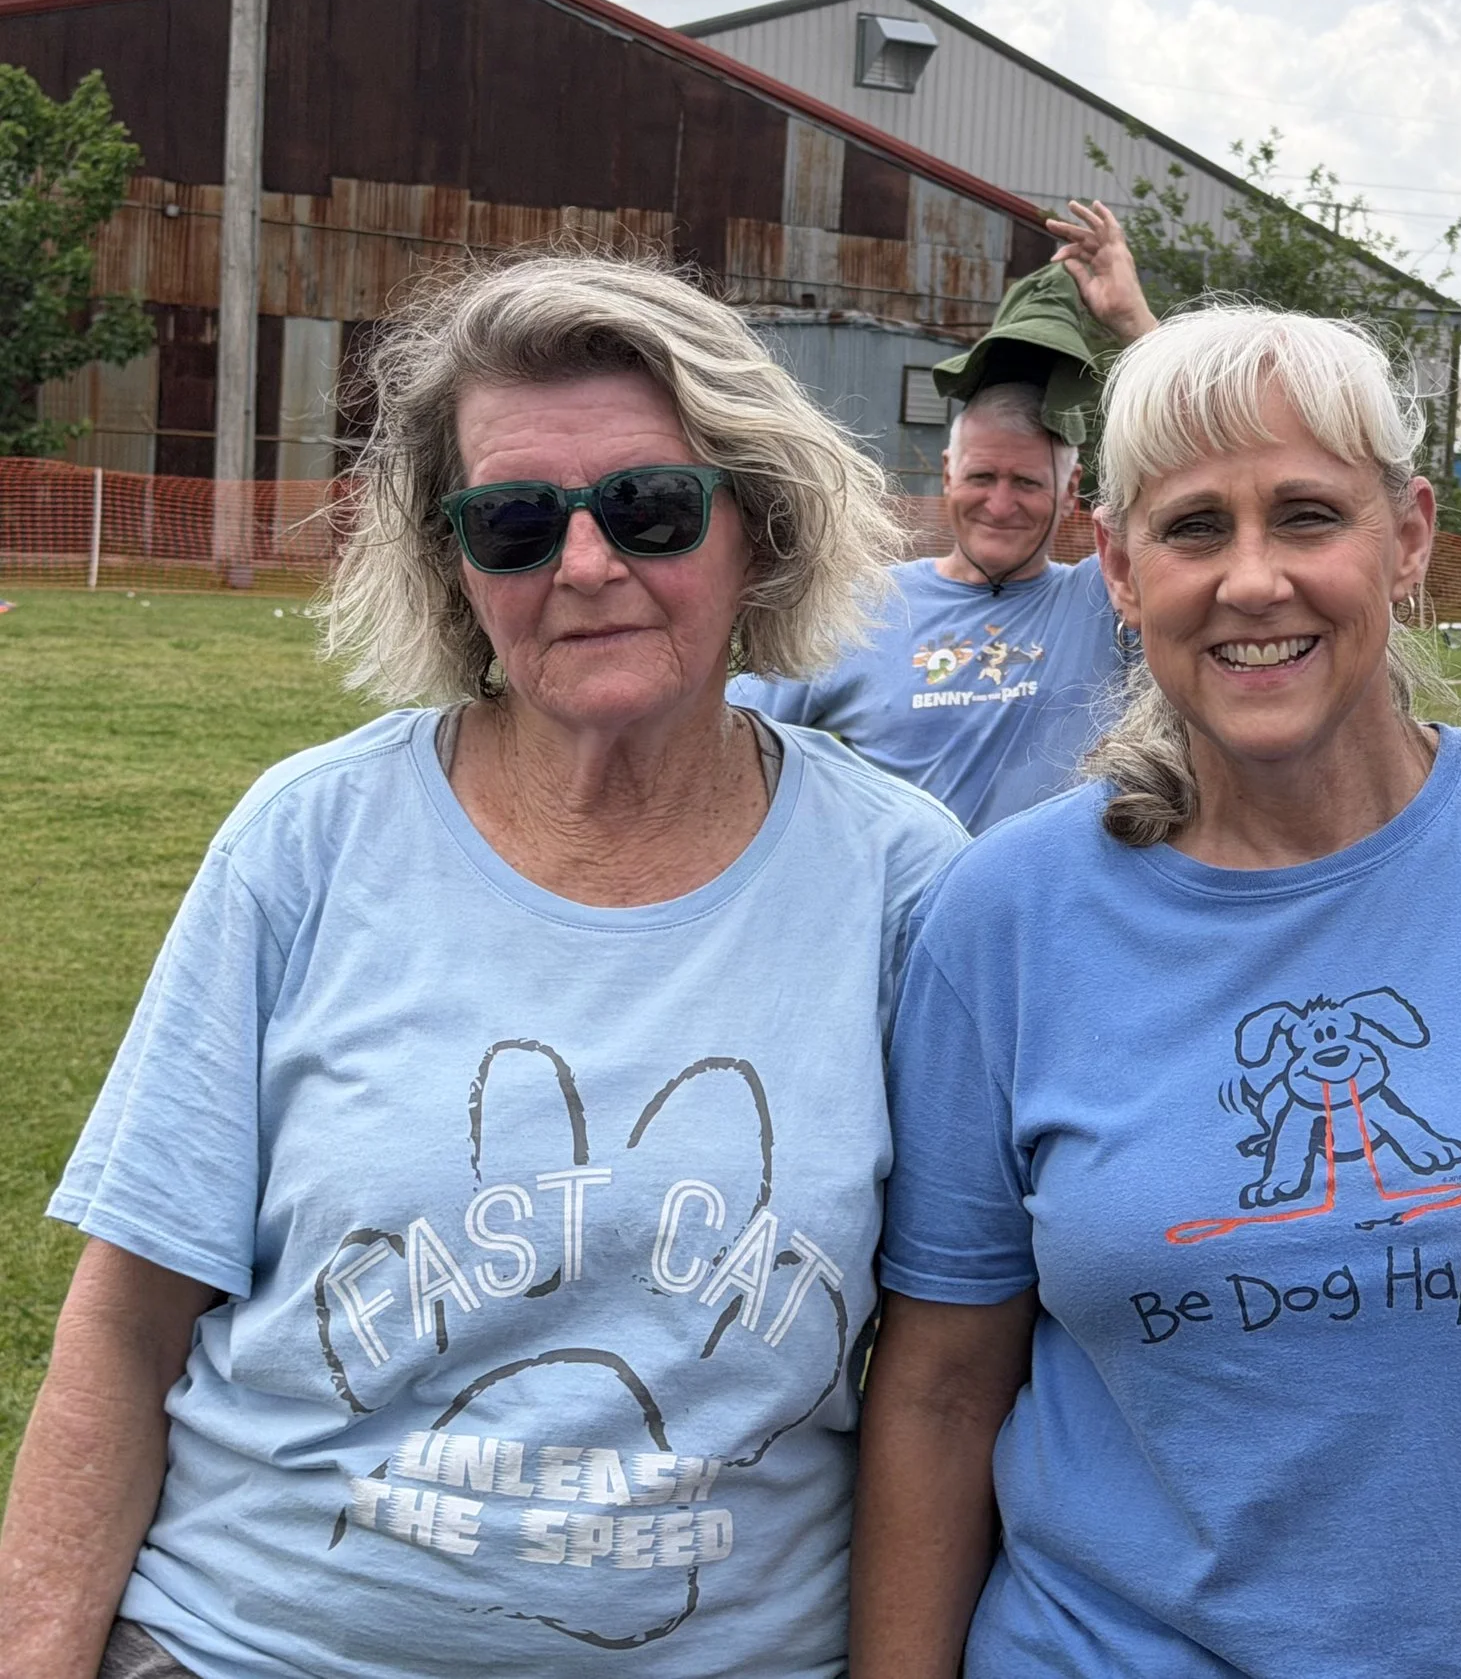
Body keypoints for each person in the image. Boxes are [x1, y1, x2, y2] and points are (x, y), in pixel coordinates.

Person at [0, 256, 964, 1679]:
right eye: (513, 520)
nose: (584, 564)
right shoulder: (311, 837)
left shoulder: (902, 877)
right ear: (455, 564)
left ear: (757, 524)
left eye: (648, 505)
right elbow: (129, 1315)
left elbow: (942, 1379)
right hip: (249, 1646)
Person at [852, 305, 1461, 1678]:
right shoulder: (1002, 918)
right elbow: (939, 1390)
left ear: (1407, 535)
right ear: (1115, 564)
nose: (1252, 580)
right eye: (1192, 528)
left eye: (1307, 515)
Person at [733, 199, 1155, 833]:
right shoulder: (865, 607)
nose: (1001, 502)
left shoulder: (1110, 598)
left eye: (1028, 483)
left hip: (1058, 923)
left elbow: (1216, 459)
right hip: (908, 928)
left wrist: (1136, 324)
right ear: (949, 474)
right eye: (982, 476)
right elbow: (721, 736)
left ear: (1071, 497)